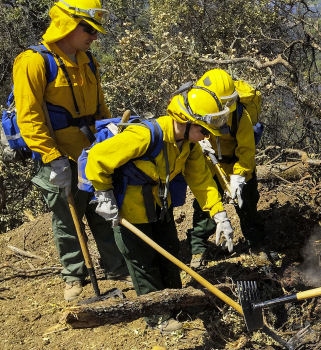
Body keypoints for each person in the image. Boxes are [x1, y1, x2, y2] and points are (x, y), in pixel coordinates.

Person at [84, 83, 233, 332]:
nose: (206, 137)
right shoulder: (145, 136)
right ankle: (158, 318)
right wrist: (103, 194)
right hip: (129, 212)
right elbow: (97, 157)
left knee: (169, 255)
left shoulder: (188, 145)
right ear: (184, 121)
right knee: (143, 263)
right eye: (203, 131)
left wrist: (219, 214)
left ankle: (177, 303)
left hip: (158, 206)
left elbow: (201, 180)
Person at [12, 0, 128, 302]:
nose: (94, 36)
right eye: (88, 28)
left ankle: (116, 268)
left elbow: (100, 108)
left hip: (92, 154)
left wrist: (110, 138)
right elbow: (29, 117)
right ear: (67, 24)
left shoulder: (88, 60)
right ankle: (74, 277)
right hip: (58, 158)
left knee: (102, 210)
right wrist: (52, 159)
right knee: (67, 218)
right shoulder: (34, 61)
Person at [186, 69, 263, 267]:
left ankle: (257, 245)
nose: (227, 107)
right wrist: (199, 145)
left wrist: (239, 176)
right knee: (205, 210)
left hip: (238, 165)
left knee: (247, 205)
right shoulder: (199, 109)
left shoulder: (239, 115)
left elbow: (247, 151)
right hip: (211, 166)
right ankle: (198, 249)